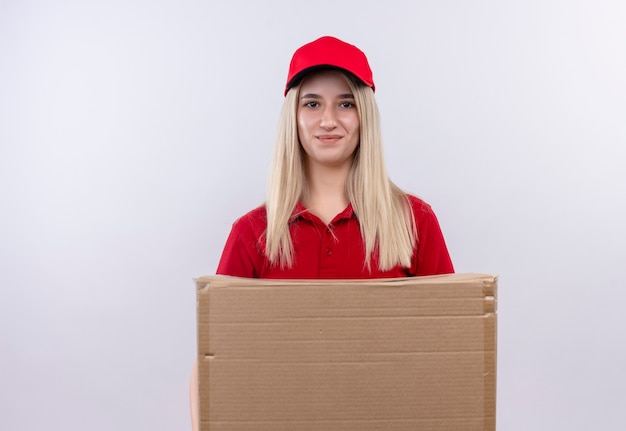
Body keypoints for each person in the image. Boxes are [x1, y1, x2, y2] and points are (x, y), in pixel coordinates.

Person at [190, 35, 454, 430]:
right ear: (293, 117)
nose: (328, 120)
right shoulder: (254, 233)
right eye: (312, 103)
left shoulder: (412, 221)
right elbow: (212, 357)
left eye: (345, 103)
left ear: (365, 114)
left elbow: (450, 343)